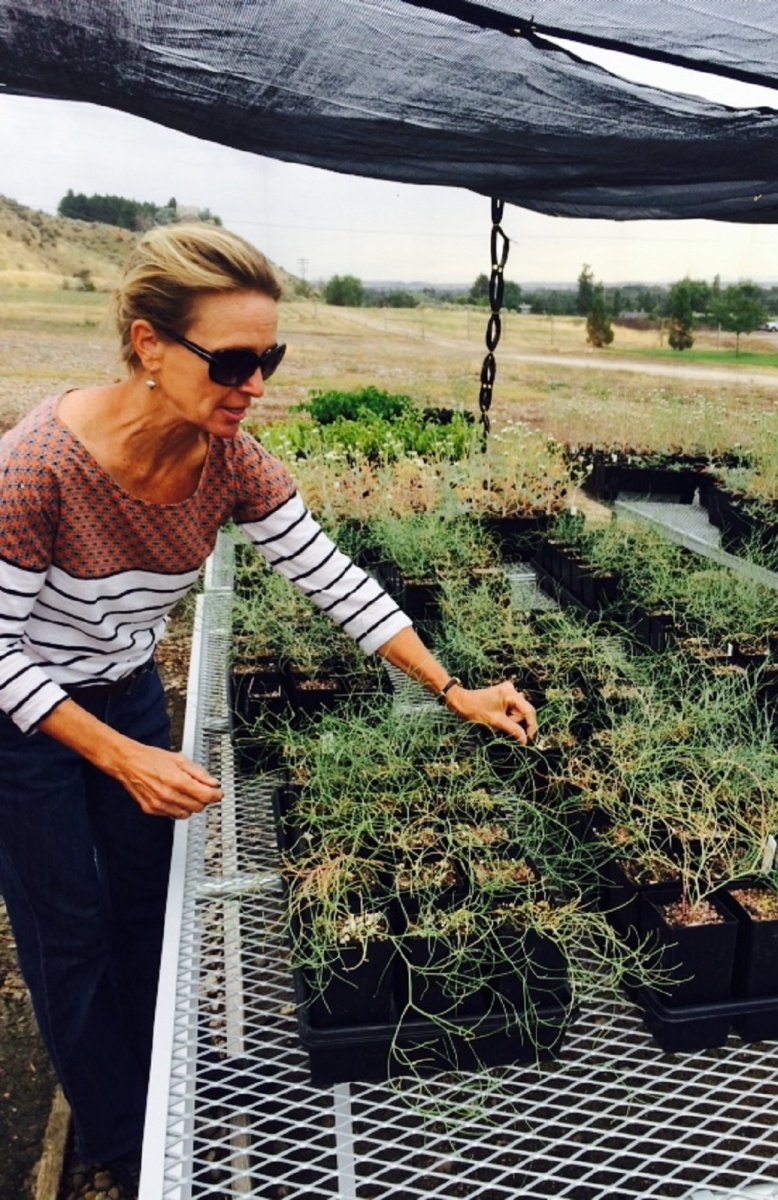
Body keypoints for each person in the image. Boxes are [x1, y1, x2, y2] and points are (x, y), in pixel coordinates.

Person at [0, 224, 536, 1195]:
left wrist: (452, 689)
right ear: (148, 344)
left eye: (269, 359)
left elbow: (334, 580)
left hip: (121, 688)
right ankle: (125, 1144)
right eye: (236, 361)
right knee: (68, 930)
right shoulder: (36, 466)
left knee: (147, 911)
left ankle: (176, 1079)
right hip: (26, 717)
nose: (255, 385)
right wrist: (120, 758)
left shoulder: (228, 461)